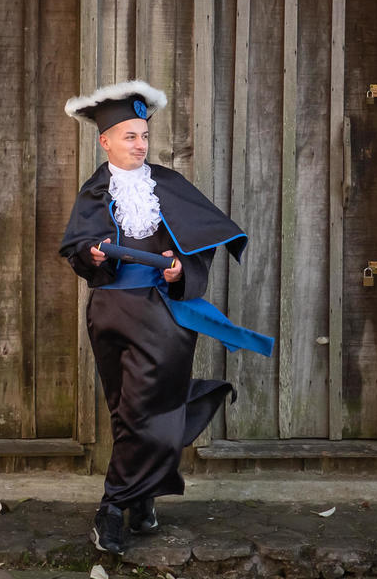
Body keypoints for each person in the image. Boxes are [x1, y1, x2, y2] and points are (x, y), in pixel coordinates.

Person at [59, 80, 273, 555]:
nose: (140, 144)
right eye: (130, 136)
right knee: (126, 412)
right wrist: (92, 257)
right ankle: (144, 497)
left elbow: (199, 244)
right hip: (108, 315)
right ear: (106, 141)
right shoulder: (93, 192)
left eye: (144, 136)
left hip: (162, 315)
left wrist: (181, 268)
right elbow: (76, 251)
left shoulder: (168, 186)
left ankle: (112, 507)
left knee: (143, 411)